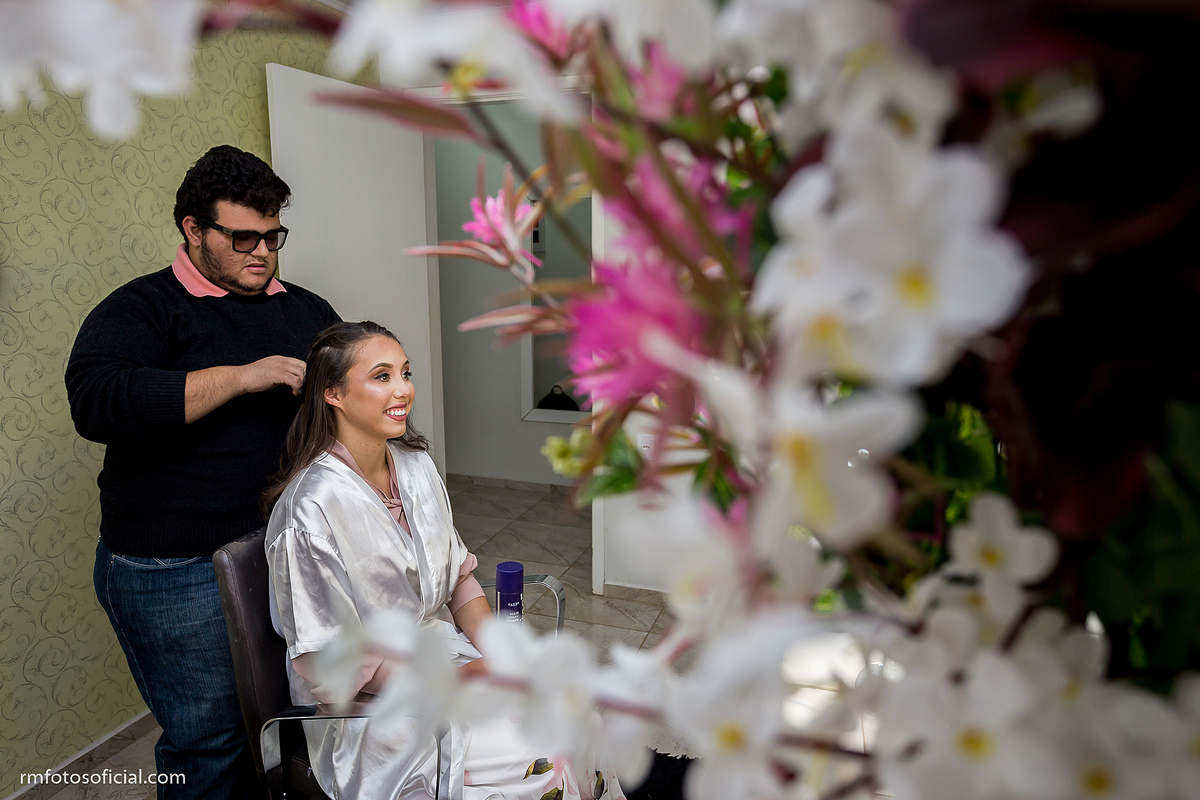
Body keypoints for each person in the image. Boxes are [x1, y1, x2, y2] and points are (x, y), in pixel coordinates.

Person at [65, 145, 340, 799]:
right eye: (243, 238)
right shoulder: (143, 308)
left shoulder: (305, 310)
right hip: (176, 570)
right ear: (193, 228)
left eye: (273, 236)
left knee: (286, 720)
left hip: (283, 549)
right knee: (210, 744)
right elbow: (97, 401)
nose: (262, 253)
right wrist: (243, 377)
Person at [263, 321, 625, 800]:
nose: (403, 390)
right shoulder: (310, 510)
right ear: (333, 394)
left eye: (405, 373)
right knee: (538, 751)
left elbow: (458, 577)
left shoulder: (416, 466)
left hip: (446, 654)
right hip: (374, 706)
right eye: (382, 376)